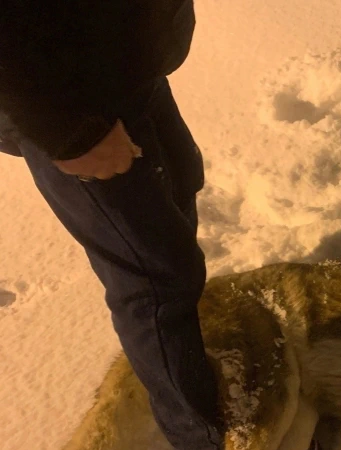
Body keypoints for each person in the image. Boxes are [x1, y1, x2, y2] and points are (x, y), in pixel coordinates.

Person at [0, 1, 224, 448]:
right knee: (157, 281)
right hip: (66, 96)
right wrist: (65, 129)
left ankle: (199, 363)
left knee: (181, 193)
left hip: (126, 58)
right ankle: (206, 438)